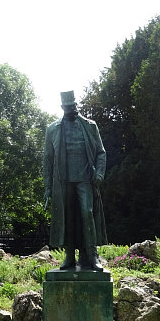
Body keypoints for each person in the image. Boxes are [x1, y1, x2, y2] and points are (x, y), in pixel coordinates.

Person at [43, 91, 107, 271]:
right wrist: (48, 187)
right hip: (63, 182)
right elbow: (47, 159)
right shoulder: (52, 129)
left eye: (74, 105)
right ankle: (69, 256)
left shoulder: (89, 126)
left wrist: (99, 174)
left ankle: (92, 255)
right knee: (68, 218)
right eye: (69, 106)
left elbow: (101, 153)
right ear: (63, 107)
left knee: (87, 213)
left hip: (85, 178)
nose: (73, 109)